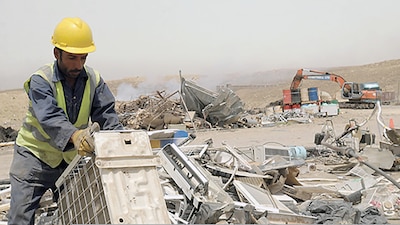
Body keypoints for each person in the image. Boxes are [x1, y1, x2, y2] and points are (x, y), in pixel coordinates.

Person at [8, 17, 124, 225]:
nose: (78, 65)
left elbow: (107, 115)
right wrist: (76, 135)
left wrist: (120, 142)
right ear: (56, 53)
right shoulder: (41, 80)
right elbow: (49, 117)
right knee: (20, 217)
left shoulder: (94, 80)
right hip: (34, 157)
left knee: (79, 215)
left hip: (71, 161)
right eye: (72, 57)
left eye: (83, 58)